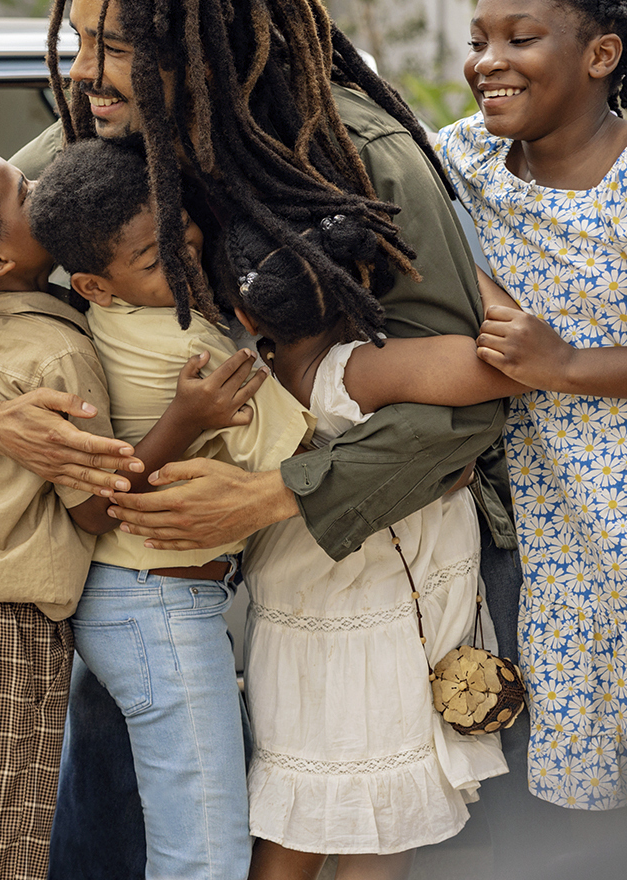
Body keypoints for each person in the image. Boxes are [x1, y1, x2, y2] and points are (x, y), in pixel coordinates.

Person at [0, 0, 514, 876]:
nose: (81, 74)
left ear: (201, 48)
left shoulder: (362, 156)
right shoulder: (111, 131)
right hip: (142, 574)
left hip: (345, 554)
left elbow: (468, 403)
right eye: (78, 40)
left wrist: (274, 490)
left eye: (112, 45)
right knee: (115, 792)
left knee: (320, 810)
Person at [0, 145, 262, 880]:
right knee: (3, 847)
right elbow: (94, 509)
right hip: (0, 614)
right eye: (24, 192)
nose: (40, 185)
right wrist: (185, 417)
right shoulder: (56, 351)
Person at [29, 138, 312, 880]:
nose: (185, 269)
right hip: (161, 610)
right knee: (207, 851)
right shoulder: (188, 341)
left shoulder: (100, 318)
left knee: (135, 815)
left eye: (188, 245)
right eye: (160, 264)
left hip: (126, 598)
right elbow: (295, 449)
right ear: (95, 284)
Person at [223, 215, 525, 879]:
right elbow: (507, 364)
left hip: (292, 625)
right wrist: (448, 258)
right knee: (382, 831)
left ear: (242, 310)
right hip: (385, 623)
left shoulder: (247, 377)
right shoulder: (355, 370)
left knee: (296, 815)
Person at [438, 0, 627, 816]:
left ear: (600, 54)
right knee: (570, 786)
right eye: (478, 41)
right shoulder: (465, 163)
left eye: (520, 38)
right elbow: (386, 201)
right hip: (546, 536)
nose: (487, 62)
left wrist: (568, 366)